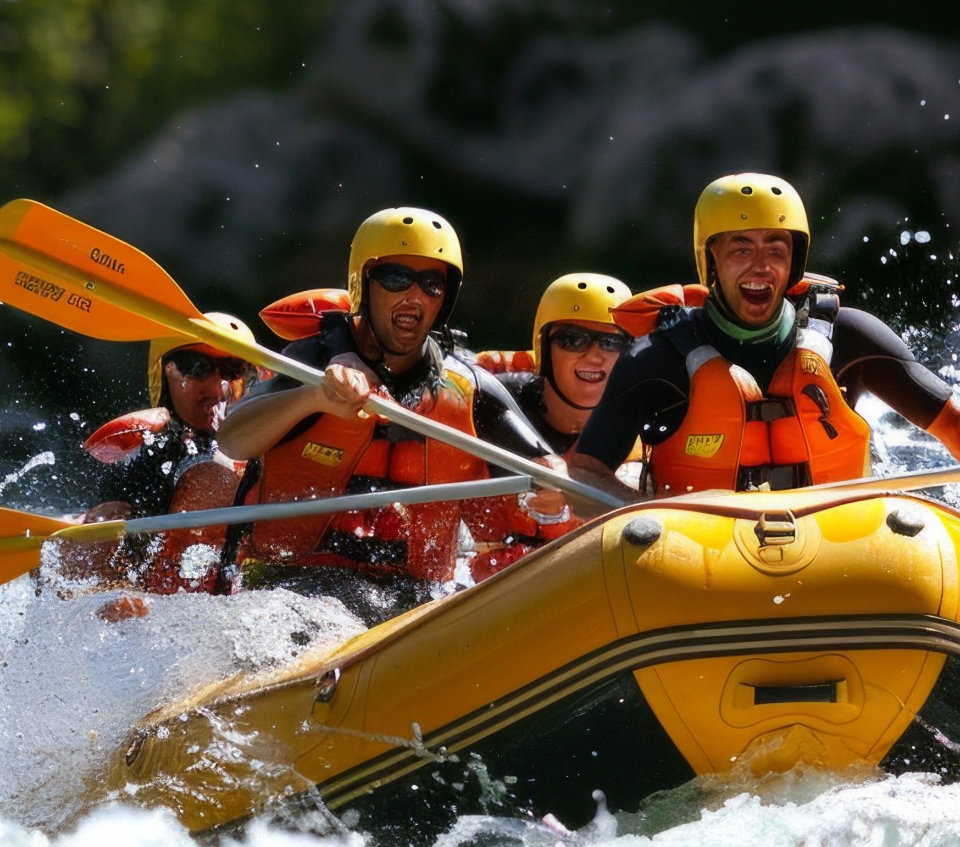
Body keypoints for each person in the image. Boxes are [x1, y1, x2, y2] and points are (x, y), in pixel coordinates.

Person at [565, 173, 960, 506]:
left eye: (775, 249)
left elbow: (956, 424)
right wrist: (644, 515)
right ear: (712, 260)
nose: (760, 265)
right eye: (741, 248)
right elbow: (586, 472)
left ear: (794, 261)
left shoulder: (850, 337)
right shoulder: (656, 358)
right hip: (698, 549)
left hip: (834, 537)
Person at [215, 207, 565, 623]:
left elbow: (548, 465)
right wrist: (314, 399)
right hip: (290, 587)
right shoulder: (312, 360)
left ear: (445, 299)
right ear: (362, 285)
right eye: (397, 278)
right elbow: (233, 438)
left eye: (432, 284)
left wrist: (552, 487)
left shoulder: (470, 388)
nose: (414, 296)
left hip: (417, 601)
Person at [67, 314, 257, 596]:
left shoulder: (267, 442)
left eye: (231, 369)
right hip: (154, 592)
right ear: (166, 374)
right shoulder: (144, 444)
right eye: (198, 368)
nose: (218, 387)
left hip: (236, 586)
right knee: (103, 525)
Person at [466, 273, 632, 578]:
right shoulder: (489, 396)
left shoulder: (640, 425)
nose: (595, 355)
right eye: (573, 339)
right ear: (544, 348)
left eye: (612, 342)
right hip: (484, 578)